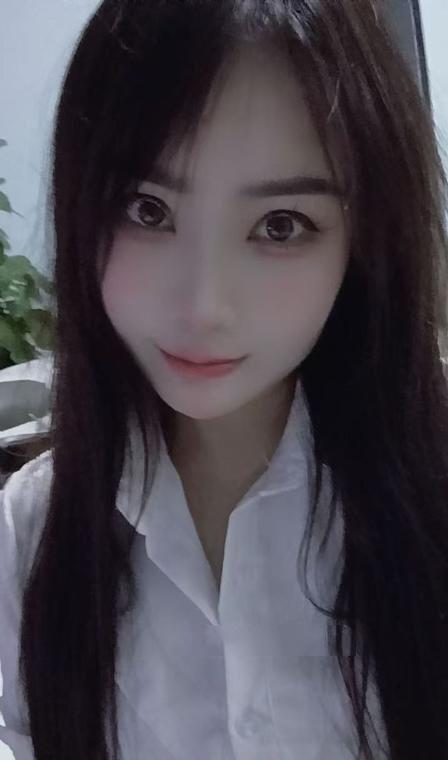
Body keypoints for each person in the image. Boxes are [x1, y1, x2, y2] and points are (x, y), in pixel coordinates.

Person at [1, 0, 448, 758]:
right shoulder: (31, 532)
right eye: (146, 209)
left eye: (280, 225)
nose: (204, 307)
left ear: (362, 240)